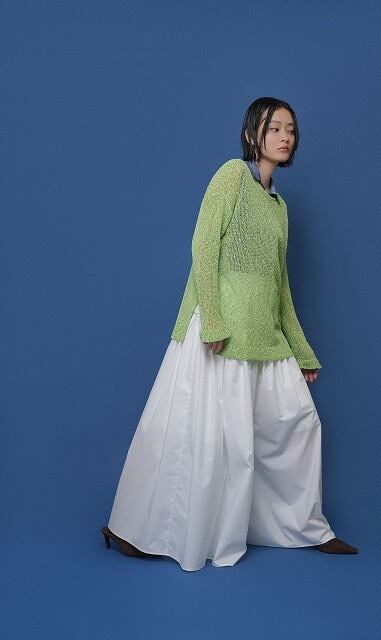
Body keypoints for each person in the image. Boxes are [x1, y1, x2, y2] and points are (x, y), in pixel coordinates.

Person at [101, 97, 358, 572]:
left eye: (291, 129)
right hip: (221, 331)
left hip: (265, 331)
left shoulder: (279, 206)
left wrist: (302, 350)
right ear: (250, 134)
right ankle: (135, 529)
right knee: (206, 440)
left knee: (298, 424)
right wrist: (214, 321)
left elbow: (280, 285)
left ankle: (307, 528)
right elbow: (203, 244)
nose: (285, 137)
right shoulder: (231, 175)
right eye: (274, 128)